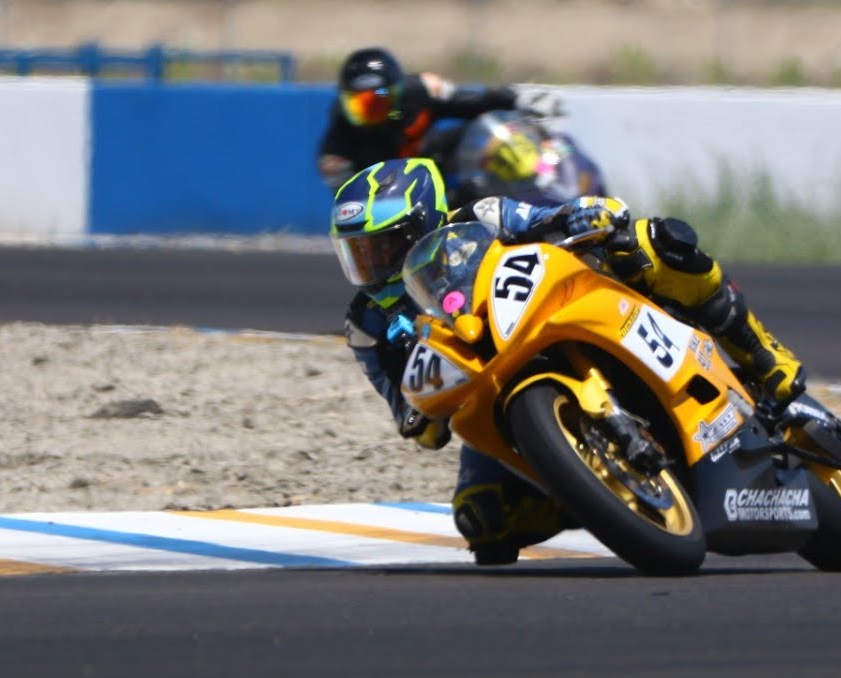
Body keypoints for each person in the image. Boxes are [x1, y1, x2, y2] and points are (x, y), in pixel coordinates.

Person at [330, 157, 806, 565]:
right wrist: (419, 412)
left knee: (651, 242)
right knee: (481, 518)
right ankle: (585, 489)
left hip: (552, 310)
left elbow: (543, 218)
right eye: (358, 254)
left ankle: (764, 355)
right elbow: (407, 412)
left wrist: (580, 215)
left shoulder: (479, 216)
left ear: (422, 223)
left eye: (382, 247)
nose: (371, 264)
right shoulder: (366, 325)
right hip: (491, 385)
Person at [317, 47, 562, 190]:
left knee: (488, 134)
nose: (371, 110)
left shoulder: (422, 90)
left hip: (435, 166)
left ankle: (544, 180)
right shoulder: (337, 149)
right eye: (360, 103)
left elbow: (469, 102)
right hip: (395, 198)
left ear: (398, 92)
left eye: (378, 99)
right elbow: (351, 202)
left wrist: (515, 99)